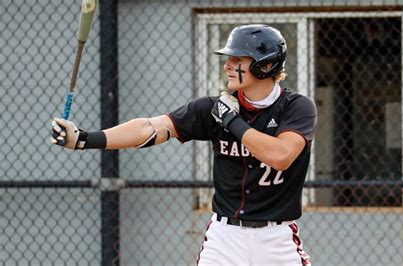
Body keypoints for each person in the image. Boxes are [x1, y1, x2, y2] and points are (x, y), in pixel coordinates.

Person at [51, 24, 316, 265]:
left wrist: (232, 122)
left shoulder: (296, 108)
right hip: (225, 237)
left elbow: (280, 156)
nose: (227, 65)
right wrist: (84, 139)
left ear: (266, 66)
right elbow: (152, 127)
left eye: (238, 59)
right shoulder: (213, 108)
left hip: (276, 238)